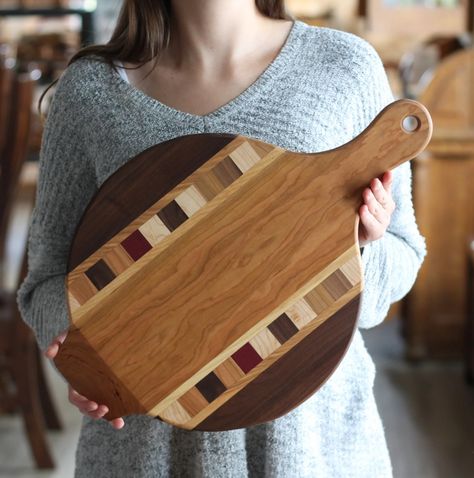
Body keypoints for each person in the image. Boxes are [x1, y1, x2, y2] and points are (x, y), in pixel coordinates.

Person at [16, 0, 426, 477]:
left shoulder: (343, 67)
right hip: (145, 457)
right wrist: (90, 354)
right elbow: (45, 283)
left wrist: (356, 247)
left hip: (314, 451)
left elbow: (401, 258)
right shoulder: (89, 93)